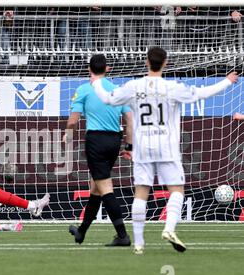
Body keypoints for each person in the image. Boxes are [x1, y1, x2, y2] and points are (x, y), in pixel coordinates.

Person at [92, 46, 239, 254]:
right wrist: (227, 81)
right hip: (166, 147)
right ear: (166, 63)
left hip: (143, 146)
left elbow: (107, 98)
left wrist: (96, 81)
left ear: (146, 62)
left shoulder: (134, 86)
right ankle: (169, 229)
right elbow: (203, 93)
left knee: (141, 192)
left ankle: (139, 243)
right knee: (177, 190)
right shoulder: (172, 87)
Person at [66, 54, 133, 247]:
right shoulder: (118, 91)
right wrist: (129, 147)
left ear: (89, 69)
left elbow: (72, 120)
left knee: (104, 188)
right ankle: (82, 232)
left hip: (96, 140)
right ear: (108, 69)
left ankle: (122, 235)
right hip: (114, 140)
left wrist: (68, 134)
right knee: (95, 188)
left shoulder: (84, 89)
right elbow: (130, 122)